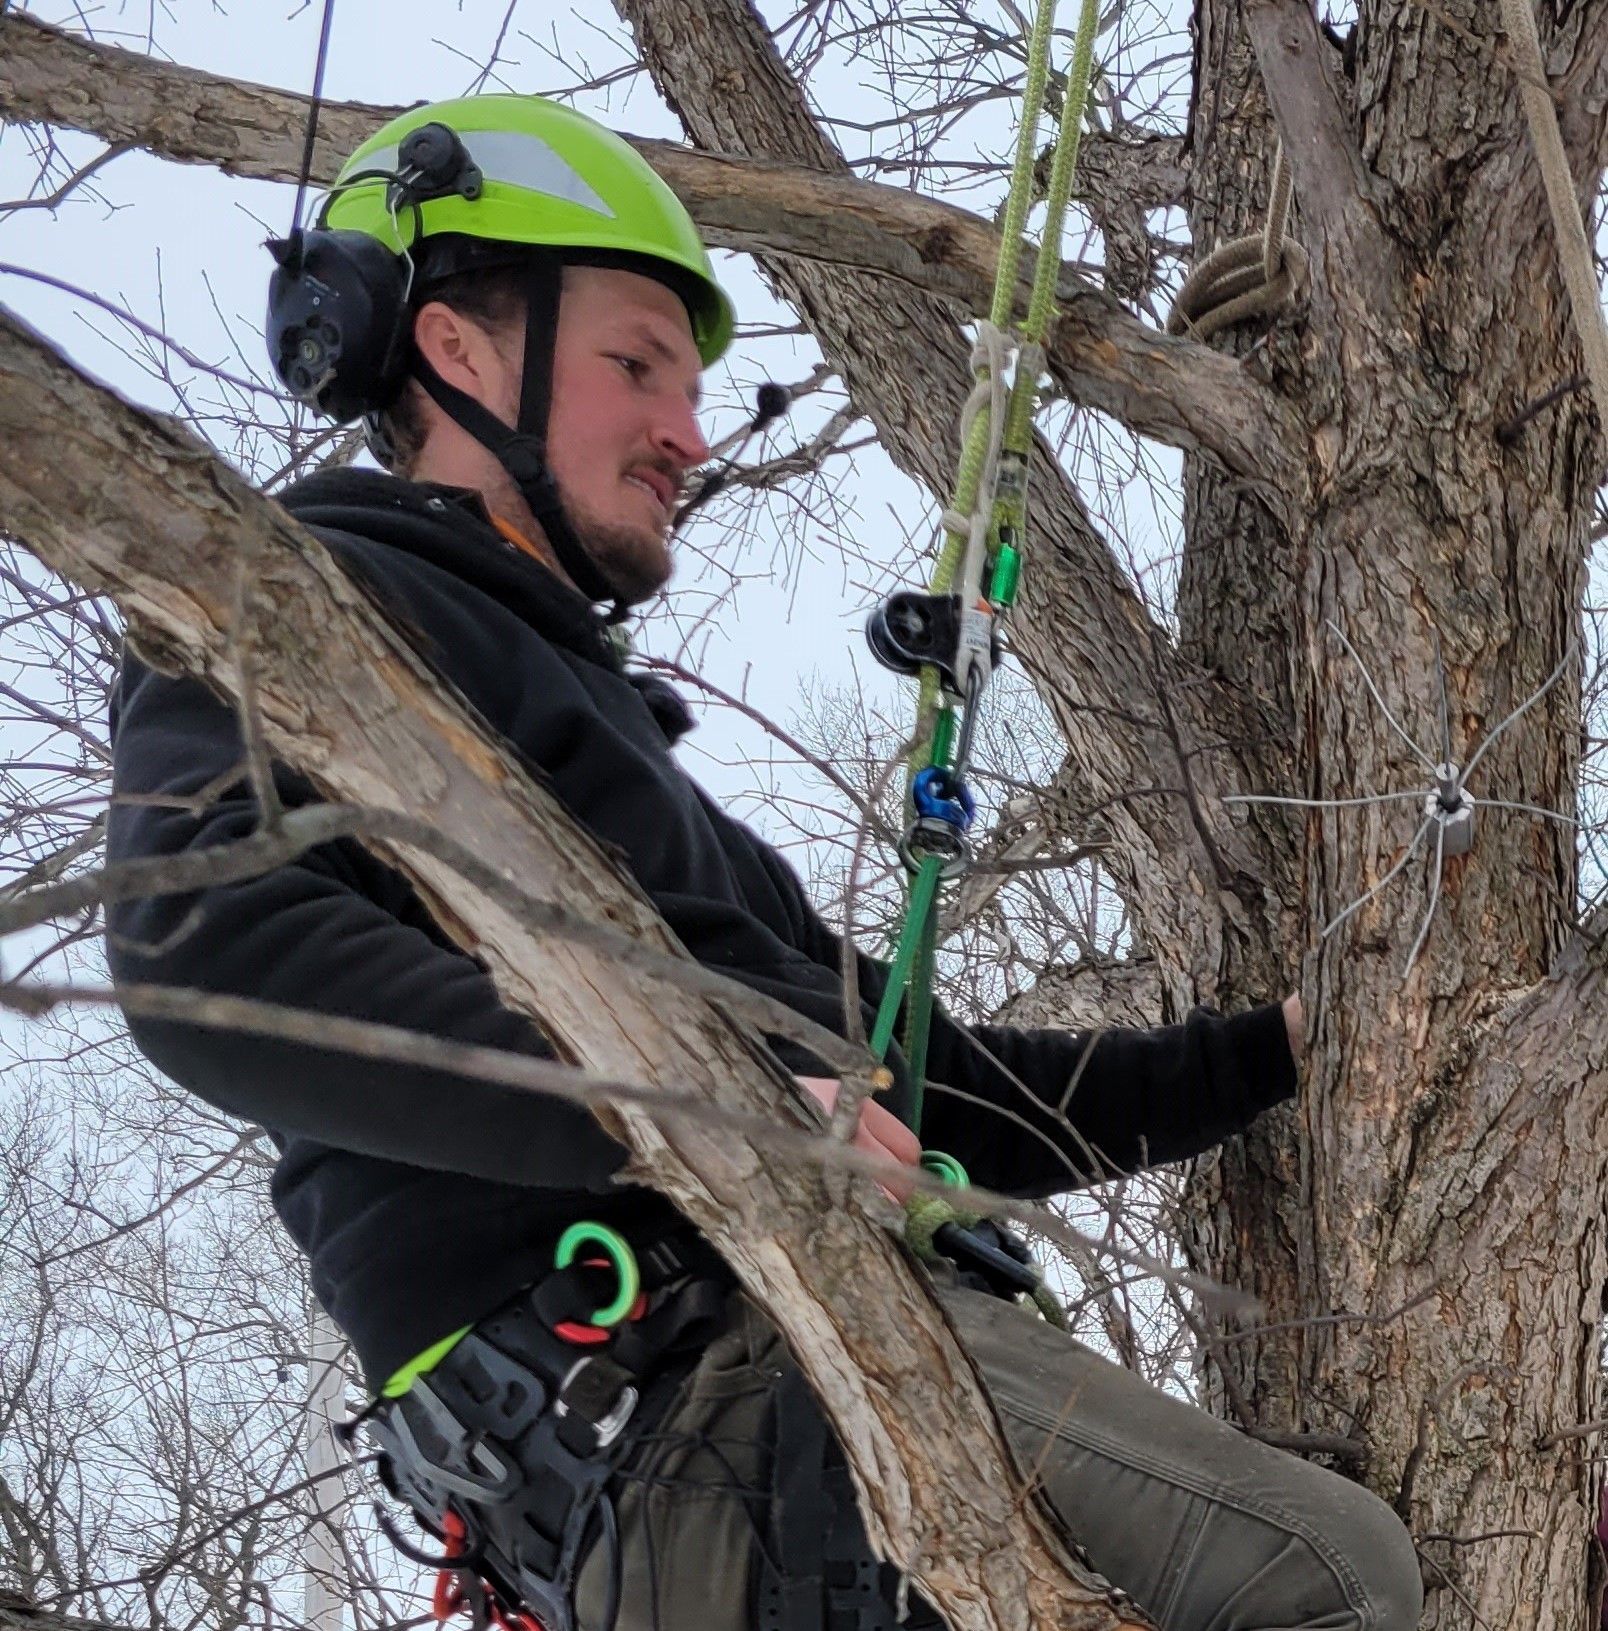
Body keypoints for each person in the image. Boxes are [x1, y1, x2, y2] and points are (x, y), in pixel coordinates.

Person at [105, 94, 1423, 1631]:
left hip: (758, 1402)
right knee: (1321, 1574)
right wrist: (709, 1111)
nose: (687, 433)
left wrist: (1276, 1055)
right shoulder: (297, 598)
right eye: (636, 367)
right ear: (458, 351)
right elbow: (212, 954)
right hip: (683, 1407)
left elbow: (927, 1085)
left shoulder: (644, 796)